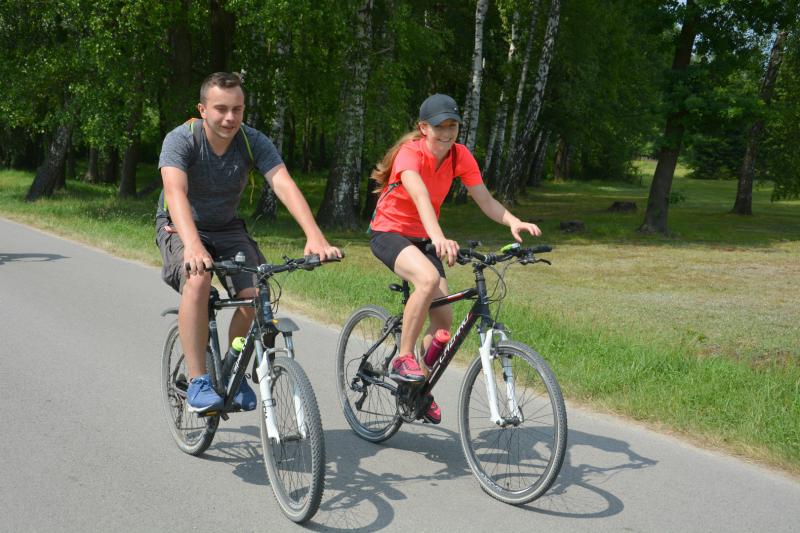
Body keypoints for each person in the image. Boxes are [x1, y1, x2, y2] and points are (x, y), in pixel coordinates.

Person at [156, 72, 341, 413]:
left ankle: (234, 368)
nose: (230, 117)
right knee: (198, 280)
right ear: (202, 109)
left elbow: (283, 183)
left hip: (227, 227)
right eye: (221, 109)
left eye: (237, 109)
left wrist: (314, 236)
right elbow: (175, 191)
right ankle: (198, 380)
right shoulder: (181, 140)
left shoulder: (252, 140)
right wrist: (193, 245)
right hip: (180, 227)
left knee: (255, 295)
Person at [368, 93, 541, 424]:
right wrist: (438, 238)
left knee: (444, 320)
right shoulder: (409, 154)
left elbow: (485, 200)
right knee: (427, 279)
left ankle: (416, 387)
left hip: (425, 236)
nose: (447, 134)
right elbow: (420, 197)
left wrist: (512, 221)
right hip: (390, 232)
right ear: (423, 128)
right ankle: (403, 357)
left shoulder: (459, 156)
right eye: (440, 127)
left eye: (453, 126)